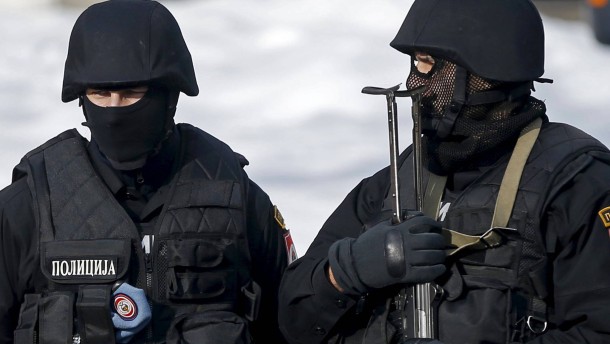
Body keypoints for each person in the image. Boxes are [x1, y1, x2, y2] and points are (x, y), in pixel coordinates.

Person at [278, 0, 610, 343]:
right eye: (417, 64)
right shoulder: (398, 179)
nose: (416, 83)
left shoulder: (577, 182)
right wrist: (347, 273)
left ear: (487, 72)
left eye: (430, 65)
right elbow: (291, 320)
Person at [0, 0, 293, 343]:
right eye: (99, 93)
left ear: (169, 96)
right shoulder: (31, 205)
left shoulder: (232, 195)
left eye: (130, 94)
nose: (112, 108)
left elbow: (293, 320)